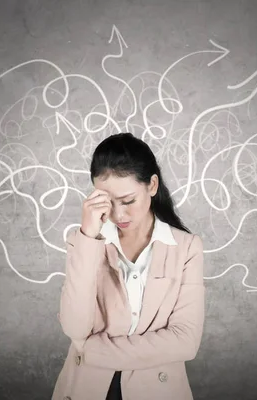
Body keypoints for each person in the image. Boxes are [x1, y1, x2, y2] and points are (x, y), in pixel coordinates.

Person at [52, 132, 205, 400]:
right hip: (86, 388)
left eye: (128, 201)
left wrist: (94, 351)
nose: (118, 214)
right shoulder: (85, 242)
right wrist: (88, 236)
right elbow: (75, 328)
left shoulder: (186, 247)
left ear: (152, 185)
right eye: (106, 202)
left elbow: (185, 341)